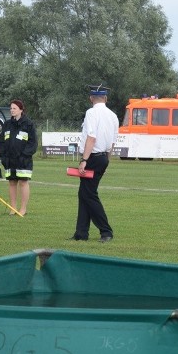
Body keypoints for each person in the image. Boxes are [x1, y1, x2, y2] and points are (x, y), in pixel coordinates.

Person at [69, 85, 119, 242]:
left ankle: (106, 231)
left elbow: (91, 137)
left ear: (91, 98)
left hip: (92, 157)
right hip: (103, 157)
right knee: (84, 193)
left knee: (89, 195)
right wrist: (107, 161)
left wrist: (84, 160)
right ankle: (81, 233)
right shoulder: (113, 116)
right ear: (106, 98)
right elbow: (112, 143)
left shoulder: (91, 113)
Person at [0, 100, 37, 216]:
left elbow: (33, 142)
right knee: (12, 182)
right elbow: (1, 141)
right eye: (11, 108)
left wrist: (24, 155)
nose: (12, 110)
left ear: (21, 110)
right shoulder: (7, 124)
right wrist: (3, 156)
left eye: (14, 108)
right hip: (10, 160)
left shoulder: (28, 124)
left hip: (23, 160)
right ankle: (13, 208)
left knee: (23, 182)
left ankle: (23, 209)